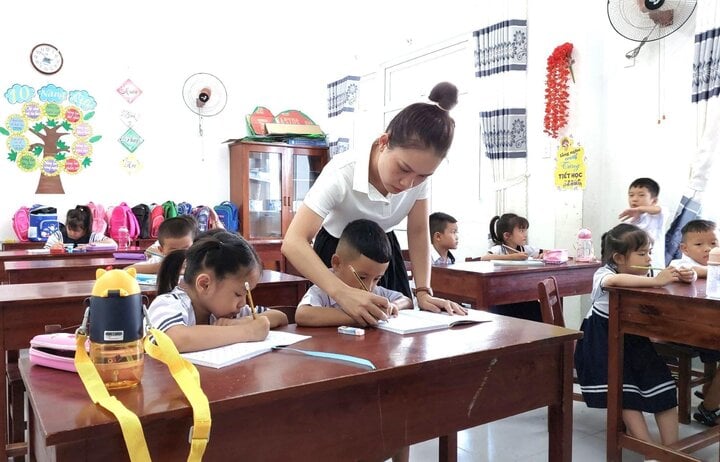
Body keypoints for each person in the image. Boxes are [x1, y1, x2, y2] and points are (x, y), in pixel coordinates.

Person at [281, 81, 465, 327]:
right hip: (341, 254)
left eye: (423, 176)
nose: (408, 183)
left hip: (384, 255)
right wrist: (341, 293)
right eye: (404, 168)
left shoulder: (416, 177)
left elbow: (419, 231)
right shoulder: (342, 172)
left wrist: (423, 292)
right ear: (384, 142)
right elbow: (293, 242)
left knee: (391, 336)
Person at [574, 223, 696, 448]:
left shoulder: (644, 271)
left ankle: (672, 451)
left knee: (663, 385)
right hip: (601, 342)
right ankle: (649, 448)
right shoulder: (605, 273)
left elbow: (674, 279)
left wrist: (687, 275)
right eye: (642, 254)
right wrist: (656, 281)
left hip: (634, 339)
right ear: (619, 258)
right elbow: (614, 282)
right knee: (625, 393)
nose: (649, 258)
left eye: (649, 252)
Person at [147, 231, 288, 353]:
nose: (243, 303)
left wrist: (245, 321)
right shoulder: (167, 304)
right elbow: (174, 339)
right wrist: (247, 331)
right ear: (205, 284)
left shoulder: (225, 311)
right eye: (238, 294)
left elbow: (280, 317)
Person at [296, 219, 413, 327]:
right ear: (336, 263)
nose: (369, 287)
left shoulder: (376, 291)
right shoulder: (323, 290)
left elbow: (406, 300)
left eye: (377, 278)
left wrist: (393, 306)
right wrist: (361, 316)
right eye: (362, 277)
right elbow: (302, 315)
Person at [666, 219, 720, 426]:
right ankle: (709, 408)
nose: (707, 249)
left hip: (707, 329)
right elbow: (697, 274)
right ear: (684, 248)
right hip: (683, 331)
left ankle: (710, 394)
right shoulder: (680, 265)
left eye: (713, 243)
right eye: (699, 245)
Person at [480, 213, 543, 321]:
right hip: (501, 295)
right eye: (521, 231)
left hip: (520, 292)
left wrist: (543, 254)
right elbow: (484, 258)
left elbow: (544, 251)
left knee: (537, 307)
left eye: (525, 230)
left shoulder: (524, 249)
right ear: (507, 236)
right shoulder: (499, 249)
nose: (525, 234)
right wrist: (513, 257)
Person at [618, 177, 666, 268]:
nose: (634, 199)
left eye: (641, 195)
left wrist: (639, 209)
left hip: (654, 267)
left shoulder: (657, 217)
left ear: (654, 201)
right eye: (631, 195)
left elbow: (659, 209)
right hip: (634, 269)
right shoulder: (628, 222)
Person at [129, 216, 197, 274]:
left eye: (186, 248)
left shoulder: (200, 262)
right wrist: (160, 267)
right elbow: (127, 270)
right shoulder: (159, 261)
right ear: (161, 250)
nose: (181, 254)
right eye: (174, 250)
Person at [44, 205, 116, 249]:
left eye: (76, 231)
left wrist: (89, 246)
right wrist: (52, 249)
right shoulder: (57, 236)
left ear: (85, 229)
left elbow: (113, 244)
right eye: (69, 229)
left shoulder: (93, 237)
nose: (72, 233)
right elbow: (45, 252)